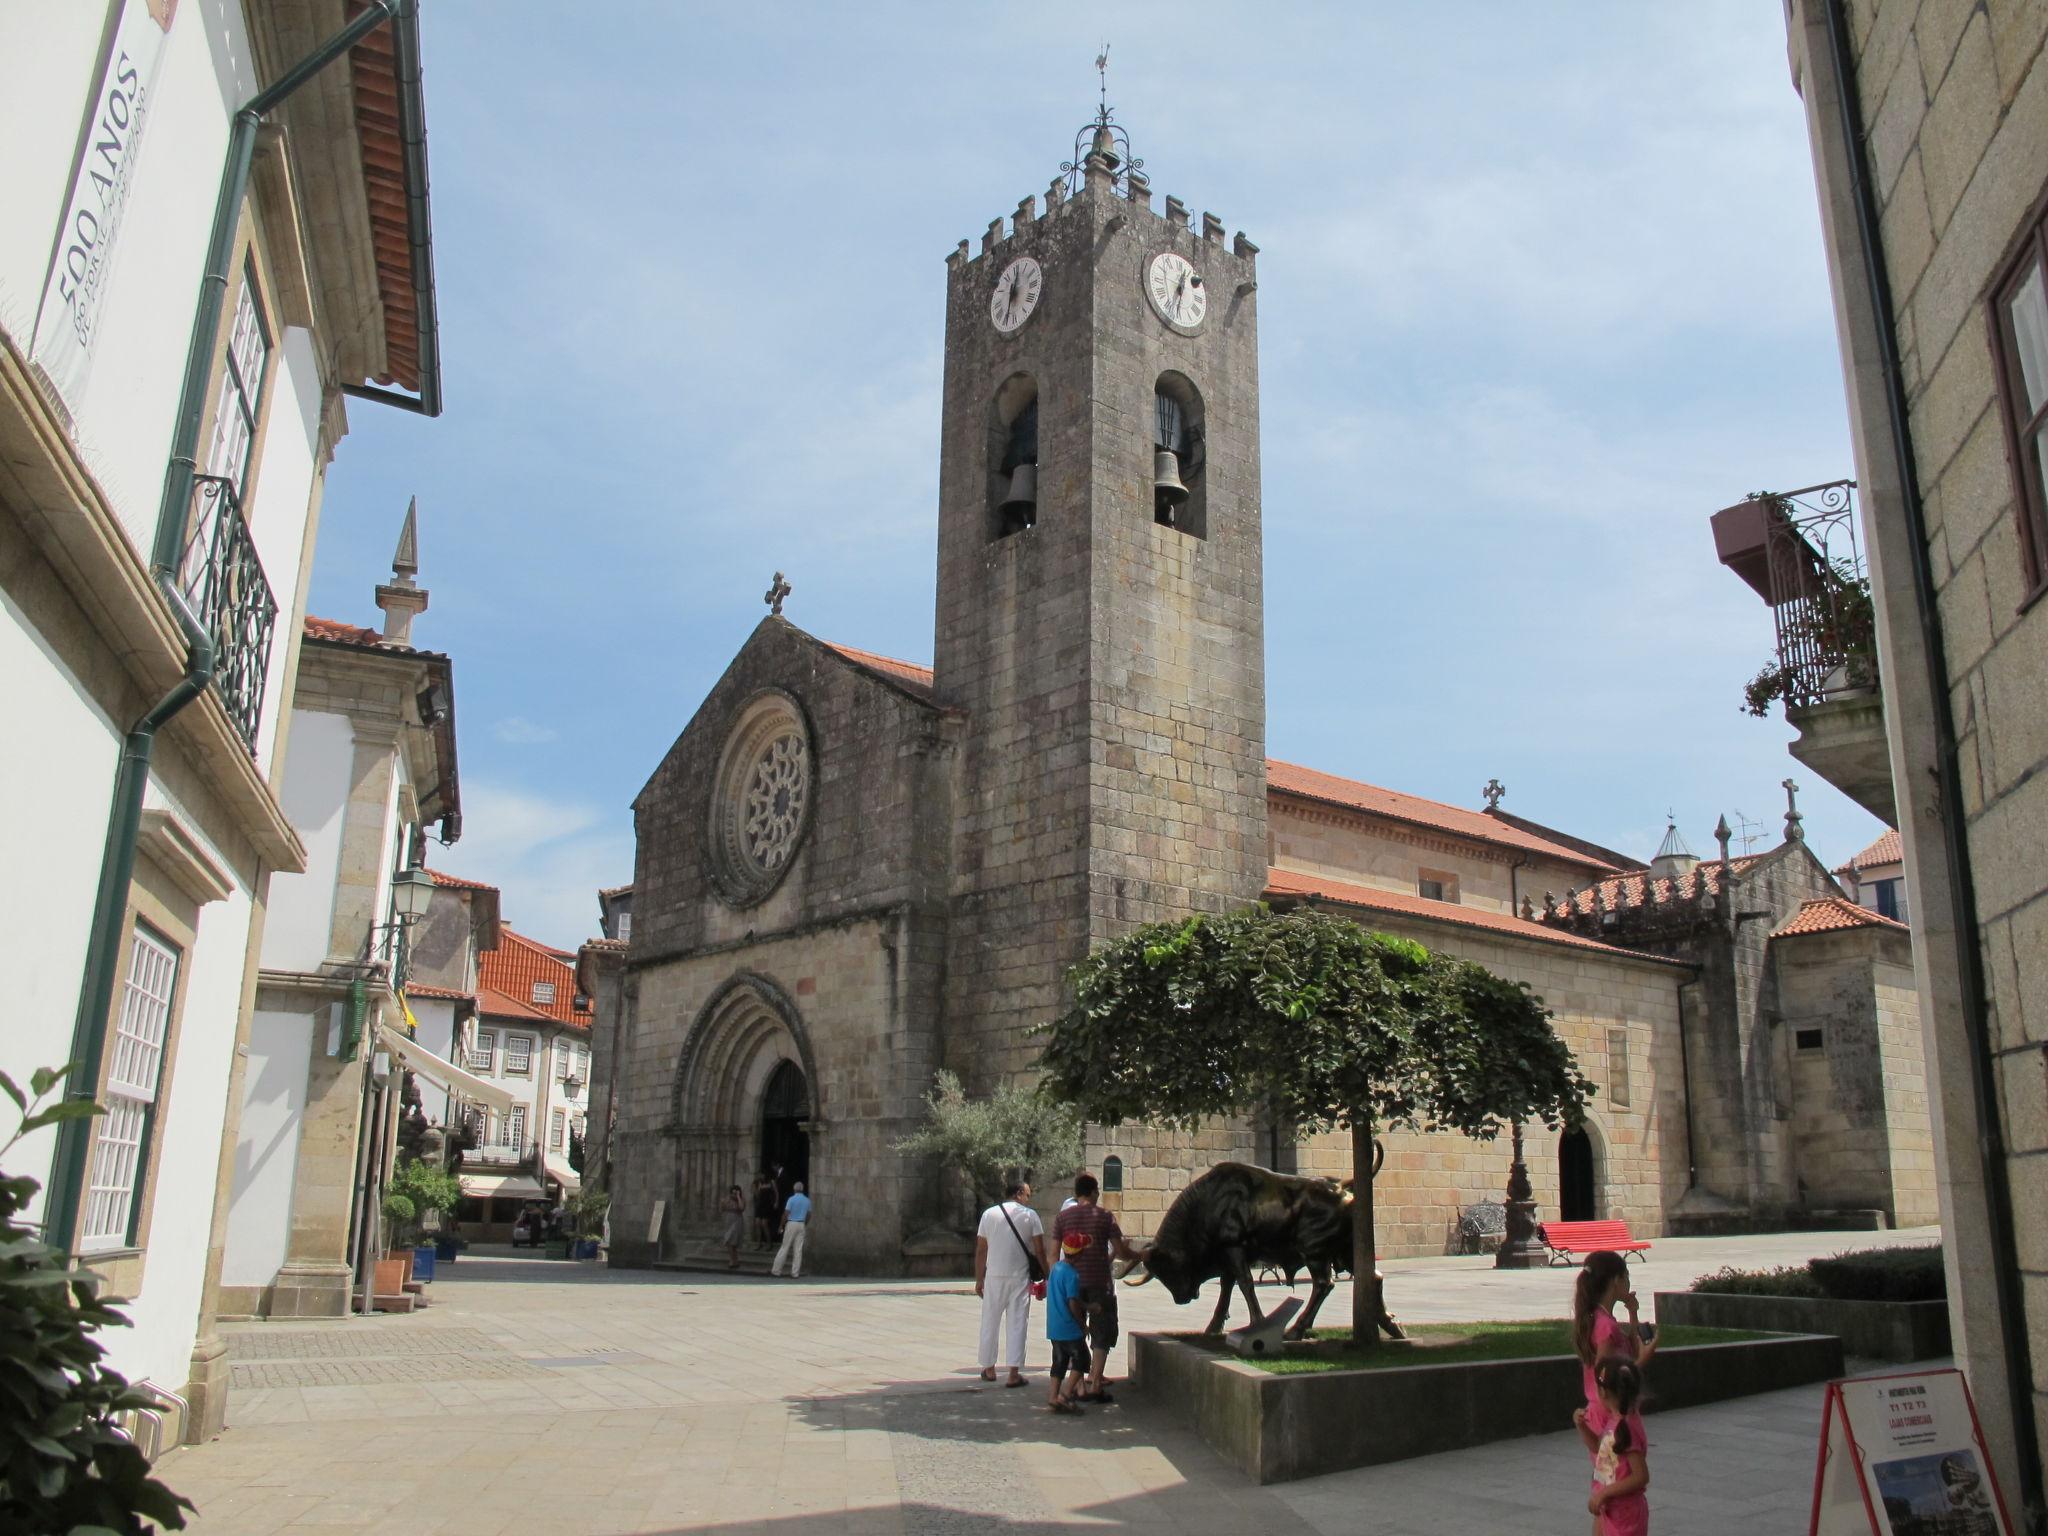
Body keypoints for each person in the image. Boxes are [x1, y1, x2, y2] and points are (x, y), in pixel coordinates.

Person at [1050, 1172, 1141, 1403]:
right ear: (1092, 1192)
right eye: (1097, 1190)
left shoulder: (1062, 1218)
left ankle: (1078, 1387)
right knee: (1103, 1332)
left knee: (1075, 1331)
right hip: (1100, 1283)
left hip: (1072, 1283)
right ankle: (1095, 1382)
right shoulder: (1105, 1217)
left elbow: (1053, 1257)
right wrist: (1140, 1254)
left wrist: (1057, 1283)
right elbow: (1121, 1251)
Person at [975, 1180, 1048, 1386]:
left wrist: (979, 1278)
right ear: (1018, 1194)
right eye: (1027, 1194)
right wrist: (1048, 1273)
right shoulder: (1030, 1216)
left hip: (994, 1277)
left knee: (990, 1320)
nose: (1028, 1199)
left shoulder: (989, 1214)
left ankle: (989, 1368)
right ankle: (1014, 1373)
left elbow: (981, 1249)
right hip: (1019, 1277)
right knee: (1018, 1322)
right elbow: (1039, 1250)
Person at [1572, 1251, 1658, 1410]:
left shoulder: (1599, 1318)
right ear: (1616, 1281)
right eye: (1626, 1276)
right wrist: (1644, 1359)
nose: (1628, 1282)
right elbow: (1605, 1378)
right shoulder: (1606, 1326)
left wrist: (1633, 1313)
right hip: (1610, 1412)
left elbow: (1632, 1349)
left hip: (1609, 1408)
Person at [1573, 1356, 1649, 1535]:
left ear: (1602, 1392)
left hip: (1624, 1512)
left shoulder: (1627, 1427)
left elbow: (1641, 1476)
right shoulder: (1615, 1421)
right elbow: (1599, 1449)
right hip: (1608, 1508)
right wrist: (1582, 1426)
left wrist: (1605, 1493)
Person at [1044, 1230, 1090, 1415]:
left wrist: (1088, 1306)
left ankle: (1052, 1397)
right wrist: (1082, 1323)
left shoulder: (1055, 1268)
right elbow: (1072, 1302)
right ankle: (1065, 1394)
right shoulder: (1072, 1274)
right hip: (1068, 1327)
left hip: (1054, 1326)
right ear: (1079, 1253)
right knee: (1083, 1359)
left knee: (1059, 1361)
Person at [772, 1181, 811, 1277]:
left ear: (794, 1189)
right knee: (798, 1250)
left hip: (792, 1223)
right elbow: (809, 1214)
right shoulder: (807, 1200)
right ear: (802, 1189)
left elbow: (786, 1213)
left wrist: (781, 1225)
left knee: (785, 1247)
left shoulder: (791, 1199)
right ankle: (795, 1273)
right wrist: (805, 1223)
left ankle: (776, 1271)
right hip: (801, 1224)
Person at [719, 1184, 746, 1270]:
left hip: (737, 1221)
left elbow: (741, 1208)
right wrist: (724, 1201)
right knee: (729, 1241)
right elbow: (722, 1209)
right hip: (728, 1220)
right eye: (733, 1193)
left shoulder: (741, 1200)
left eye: (736, 1193)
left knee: (732, 1241)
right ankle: (735, 1260)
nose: (734, 1194)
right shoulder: (727, 1200)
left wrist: (738, 1197)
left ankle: (732, 1260)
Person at [752, 1172, 778, 1248]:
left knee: (764, 1224)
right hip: (759, 1205)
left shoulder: (771, 1182)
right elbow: (756, 1195)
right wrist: (757, 1188)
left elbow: (776, 1192)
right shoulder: (756, 1183)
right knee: (757, 1223)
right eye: (759, 1175)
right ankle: (759, 1243)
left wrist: (776, 1201)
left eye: (762, 1174)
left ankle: (769, 1243)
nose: (761, 1176)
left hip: (767, 1205)